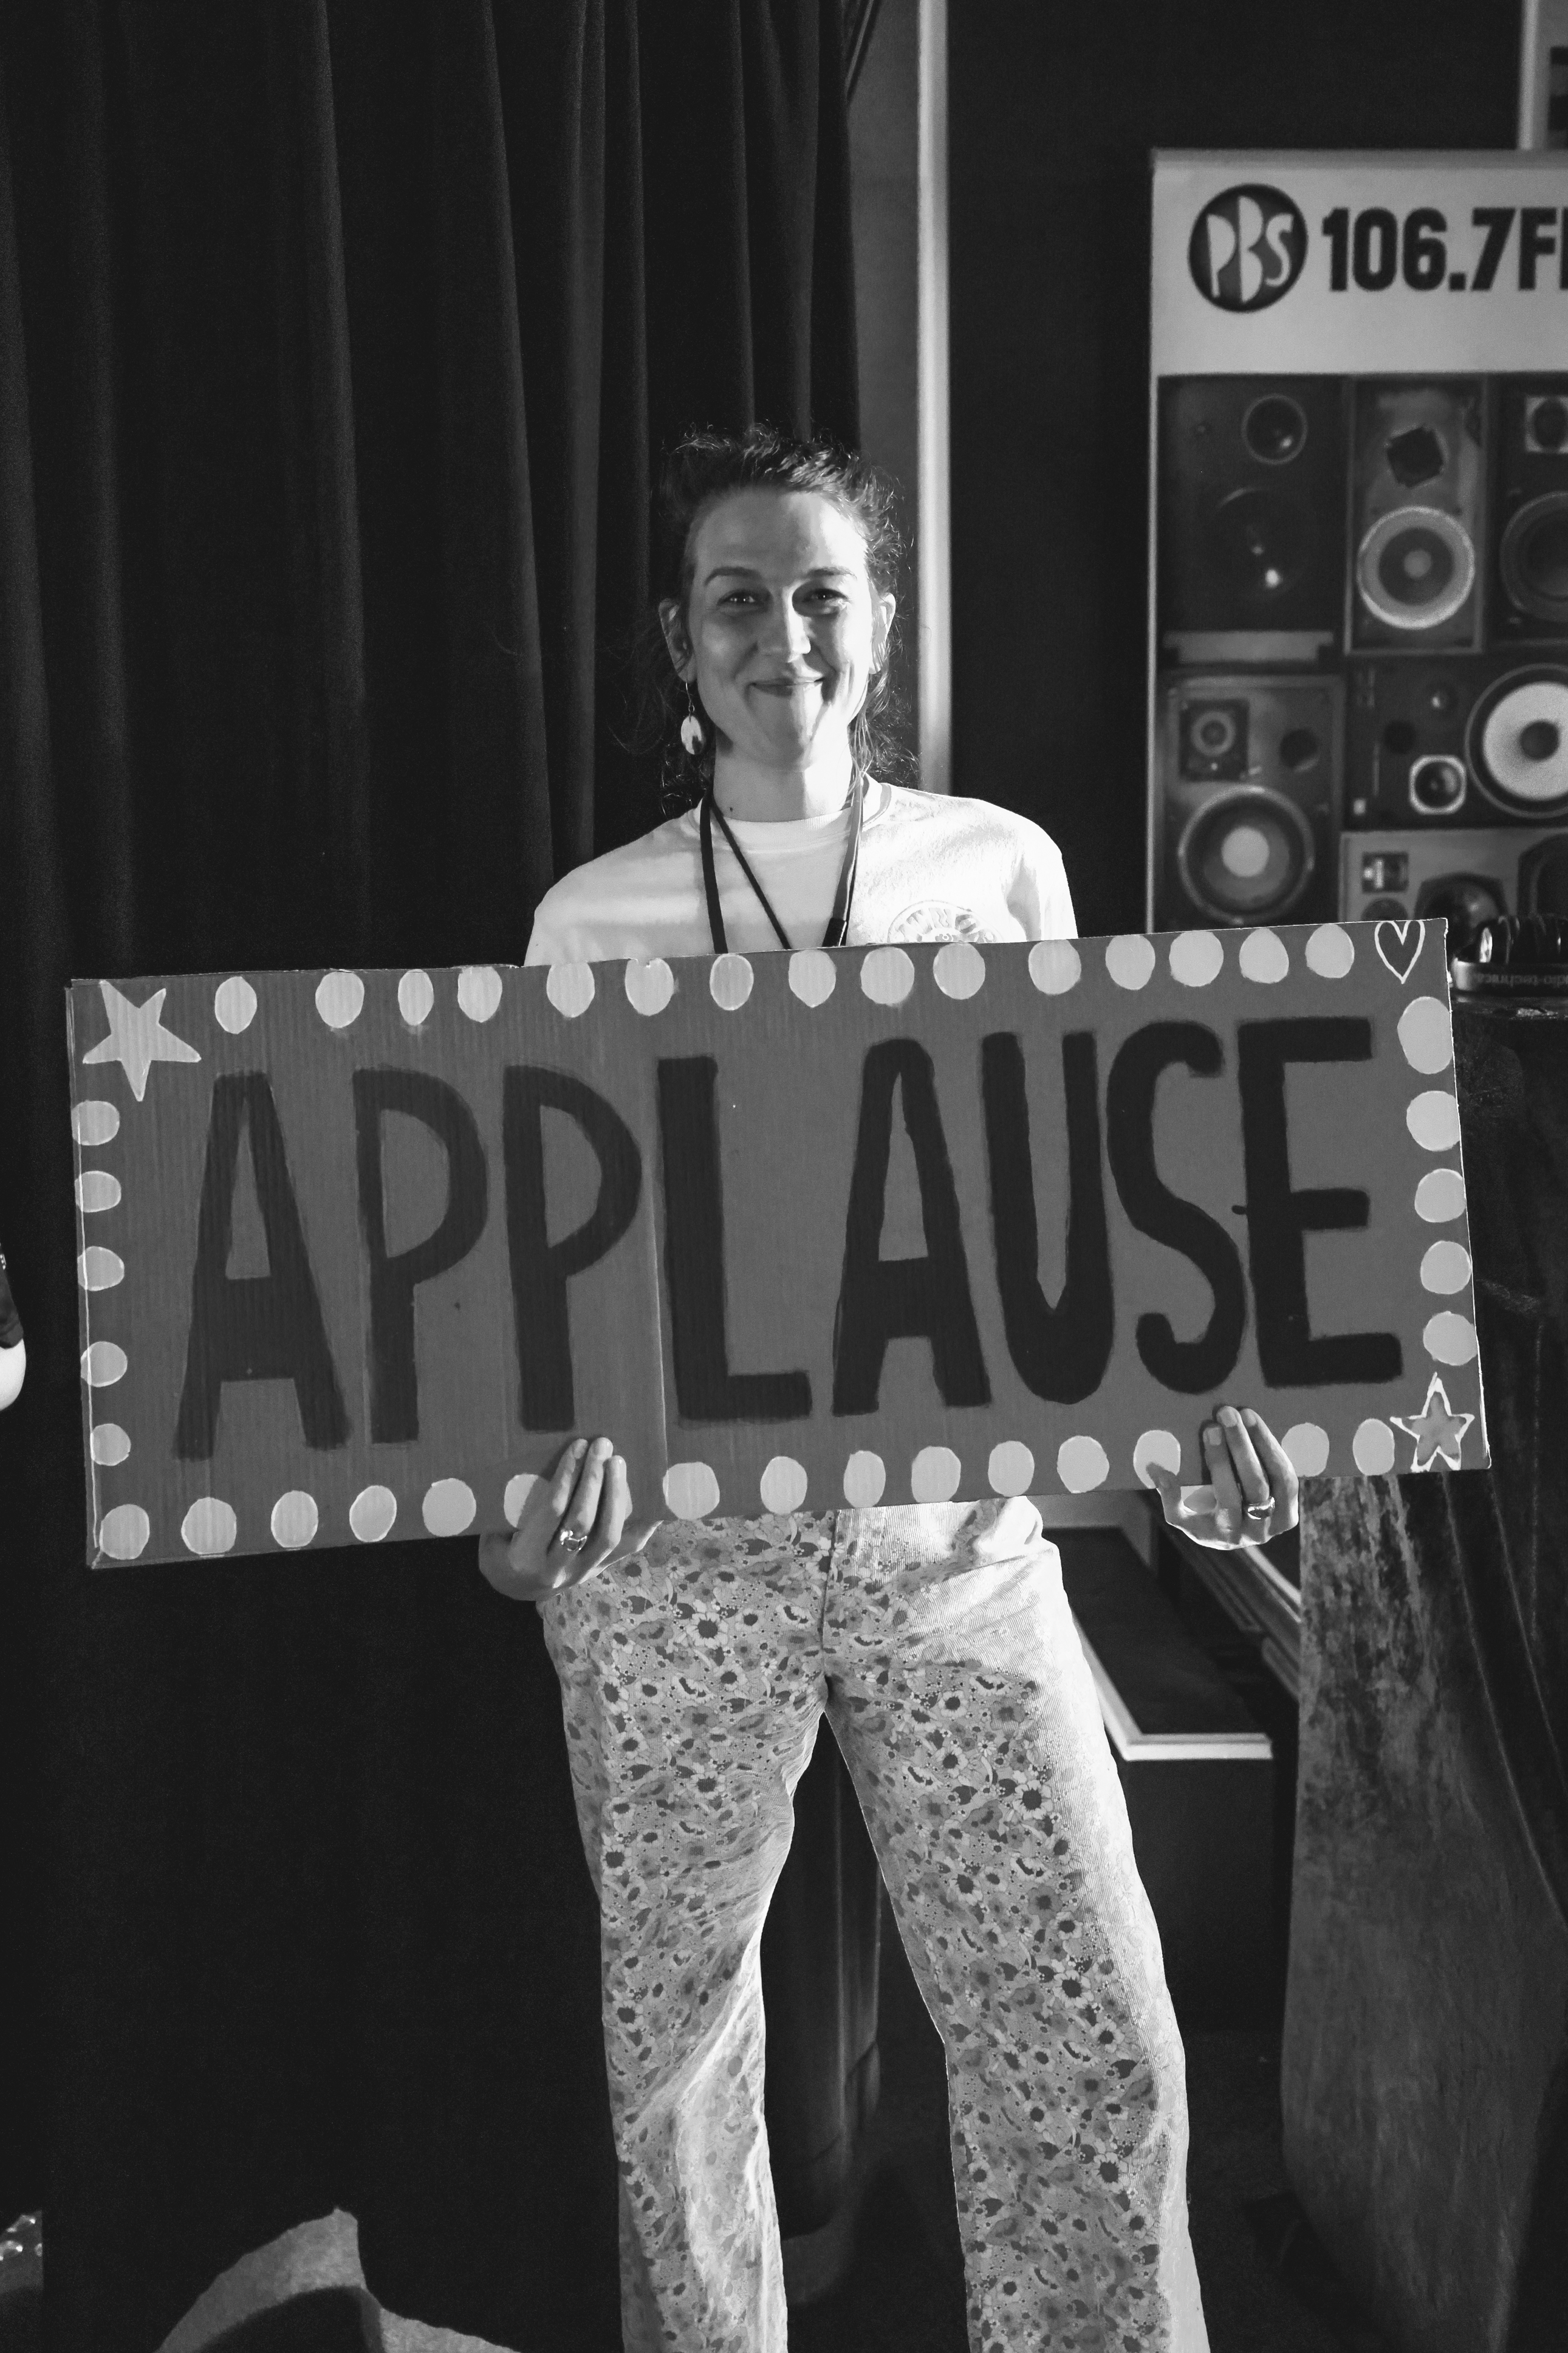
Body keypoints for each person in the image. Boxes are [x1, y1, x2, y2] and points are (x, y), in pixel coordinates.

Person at [480, 425, 1299, 2353]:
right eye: (740, 598)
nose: (785, 634)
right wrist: (513, 1525)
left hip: (953, 1543)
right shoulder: (589, 920)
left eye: (822, 593)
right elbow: (531, 1291)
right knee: (679, 2063)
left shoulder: (999, 867)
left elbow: (1074, 1219)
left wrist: (1189, 1441)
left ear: (884, 624)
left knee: (1090, 2030)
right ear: (679, 644)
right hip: (672, 1571)